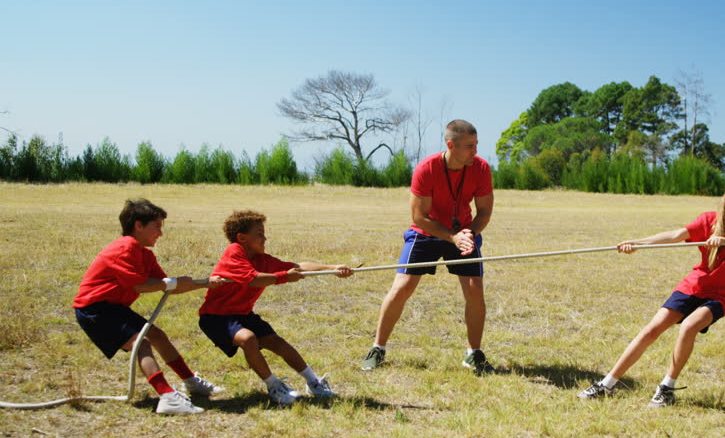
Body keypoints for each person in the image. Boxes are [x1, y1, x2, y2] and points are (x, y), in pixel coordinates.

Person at [578, 176, 725, 408]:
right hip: (694, 285)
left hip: (721, 296)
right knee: (651, 330)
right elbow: (676, 236)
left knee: (689, 327)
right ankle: (607, 384)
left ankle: (667, 388)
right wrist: (636, 243)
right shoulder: (709, 219)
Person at [361, 119, 495, 374]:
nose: (475, 151)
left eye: (476, 145)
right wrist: (451, 237)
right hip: (427, 232)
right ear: (450, 145)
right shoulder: (426, 168)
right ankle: (378, 348)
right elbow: (419, 217)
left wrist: (468, 233)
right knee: (402, 287)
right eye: (469, 146)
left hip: (463, 231)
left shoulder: (480, 168)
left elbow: (485, 211)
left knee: (474, 289)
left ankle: (473, 353)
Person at [73, 198, 224, 415]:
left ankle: (190, 382)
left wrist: (205, 282)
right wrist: (171, 283)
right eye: (157, 227)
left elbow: (167, 286)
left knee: (157, 336)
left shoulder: (144, 253)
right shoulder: (125, 247)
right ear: (138, 225)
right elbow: (141, 285)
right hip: (95, 311)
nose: (160, 234)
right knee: (141, 342)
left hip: (113, 308)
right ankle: (167, 397)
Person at [198, 210, 353, 405]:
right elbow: (252, 280)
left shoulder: (263, 259)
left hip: (243, 314)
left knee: (278, 343)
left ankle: (314, 383)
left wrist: (333, 268)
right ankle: (274, 386)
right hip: (216, 317)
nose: (265, 238)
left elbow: (298, 267)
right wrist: (285, 277)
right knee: (248, 338)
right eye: (260, 234)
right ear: (242, 238)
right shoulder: (234, 252)